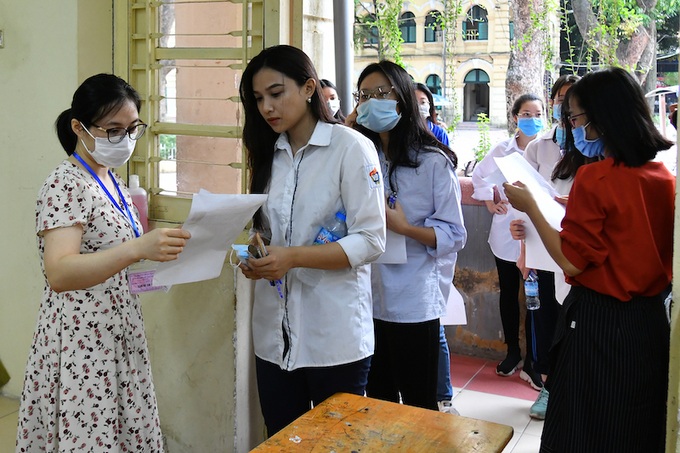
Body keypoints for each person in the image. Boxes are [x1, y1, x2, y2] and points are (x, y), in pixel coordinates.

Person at [16, 73, 192, 452]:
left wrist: (161, 260)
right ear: (79, 128)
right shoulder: (66, 183)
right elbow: (60, 272)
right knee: (89, 438)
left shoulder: (111, 179)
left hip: (118, 328)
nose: (125, 140)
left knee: (124, 432)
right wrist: (137, 249)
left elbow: (118, 256)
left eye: (132, 129)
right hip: (81, 340)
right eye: (113, 130)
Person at [503, 67, 674, 452]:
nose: (574, 127)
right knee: (634, 425)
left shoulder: (596, 179)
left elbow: (572, 262)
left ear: (601, 119)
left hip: (599, 324)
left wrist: (531, 205)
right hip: (650, 322)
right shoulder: (662, 175)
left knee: (582, 428)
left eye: (576, 118)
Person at [237, 45, 386, 436]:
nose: (267, 107)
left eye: (275, 93)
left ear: (308, 88)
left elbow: (371, 240)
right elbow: (267, 233)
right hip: (273, 339)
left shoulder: (350, 148)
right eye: (258, 99)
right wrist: (257, 254)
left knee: (335, 443)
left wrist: (293, 257)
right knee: (282, 438)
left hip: (333, 339)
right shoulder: (271, 154)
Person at [347, 60, 466, 412]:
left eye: (381, 93)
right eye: (364, 95)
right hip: (367, 297)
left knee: (418, 405)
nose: (371, 102)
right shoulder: (360, 157)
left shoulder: (432, 161)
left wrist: (405, 228)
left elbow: (454, 233)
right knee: (379, 401)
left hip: (414, 302)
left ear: (402, 98)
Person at [514, 74, 579, 419]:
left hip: (575, 249)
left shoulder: (594, 145)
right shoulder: (539, 146)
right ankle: (547, 389)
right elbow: (527, 198)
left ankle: (565, 389)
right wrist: (522, 243)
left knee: (571, 325)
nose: (566, 106)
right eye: (561, 98)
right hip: (542, 248)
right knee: (545, 322)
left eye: (573, 100)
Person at [471, 93, 545, 390]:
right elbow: (479, 176)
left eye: (537, 113)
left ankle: (534, 360)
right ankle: (513, 351)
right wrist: (491, 200)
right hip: (505, 234)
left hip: (539, 236)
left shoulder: (550, 149)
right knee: (509, 294)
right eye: (525, 113)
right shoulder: (503, 149)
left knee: (536, 298)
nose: (531, 119)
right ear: (515, 117)